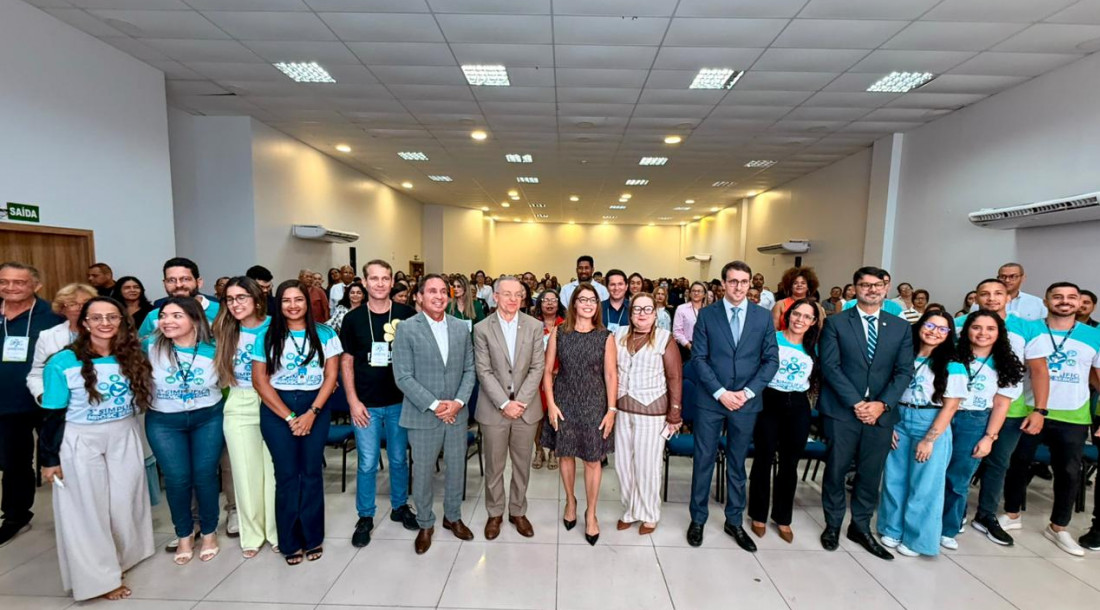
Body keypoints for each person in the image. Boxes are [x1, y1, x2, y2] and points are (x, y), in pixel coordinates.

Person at [39, 296, 155, 601]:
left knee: (124, 503)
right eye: (97, 317)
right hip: (80, 439)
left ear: (122, 321)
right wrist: (49, 459)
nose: (105, 323)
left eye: (112, 317)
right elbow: (51, 415)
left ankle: (121, 559)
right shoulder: (62, 362)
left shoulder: (132, 355)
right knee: (86, 510)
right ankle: (99, 579)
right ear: (85, 323)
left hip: (124, 434)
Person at [818, 266, 914, 561]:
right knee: (836, 470)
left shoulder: (900, 327)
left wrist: (881, 404)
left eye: (877, 285)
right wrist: (857, 403)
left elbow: (904, 371)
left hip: (881, 414)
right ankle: (833, 524)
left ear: (886, 288)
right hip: (842, 411)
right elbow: (830, 366)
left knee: (870, 474)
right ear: (855, 288)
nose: (872, 290)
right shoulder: (836, 323)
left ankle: (860, 527)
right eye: (865, 285)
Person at [685, 261, 779, 552]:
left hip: (746, 403)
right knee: (703, 460)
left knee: (737, 463)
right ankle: (698, 519)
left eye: (744, 281)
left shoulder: (763, 317)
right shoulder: (707, 315)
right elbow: (698, 358)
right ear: (723, 284)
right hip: (711, 401)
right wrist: (721, 392)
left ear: (750, 284)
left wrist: (747, 392)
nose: (739, 286)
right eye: (733, 281)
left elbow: (771, 360)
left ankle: (734, 521)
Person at [1002, 282, 1100, 556]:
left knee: (1069, 472)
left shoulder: (1094, 335)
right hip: (1029, 409)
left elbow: (1097, 377)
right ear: (1046, 302)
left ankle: (1058, 527)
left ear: (1079, 303)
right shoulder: (1029, 328)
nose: (1064, 301)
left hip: (1073, 414)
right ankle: (1011, 514)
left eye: (1071, 297)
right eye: (1057, 297)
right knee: (1018, 463)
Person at [252, 280, 342, 565]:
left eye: (298, 300)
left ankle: (313, 538)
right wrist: (290, 417)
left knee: (311, 473)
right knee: (287, 475)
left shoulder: (326, 334)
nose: (293, 305)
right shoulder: (266, 335)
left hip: (316, 405)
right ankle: (290, 541)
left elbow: (331, 377)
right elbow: (260, 381)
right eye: (286, 300)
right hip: (277, 409)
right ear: (278, 304)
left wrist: (312, 413)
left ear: (307, 302)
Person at [961, 278, 1050, 547]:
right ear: (976, 297)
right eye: (985, 293)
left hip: (1010, 408)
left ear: (1008, 297)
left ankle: (986, 515)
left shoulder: (1026, 327)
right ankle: (956, 509)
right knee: (962, 461)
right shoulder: (961, 324)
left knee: (998, 463)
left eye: (998, 293)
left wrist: (1040, 409)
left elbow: (1038, 370)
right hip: (967, 406)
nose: (991, 298)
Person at [393, 274, 477, 554]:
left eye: (443, 291)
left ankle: (452, 517)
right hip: (422, 415)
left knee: (456, 468)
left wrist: (458, 402)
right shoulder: (406, 328)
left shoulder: (460, 327)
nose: (439, 296)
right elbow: (403, 376)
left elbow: (470, 369)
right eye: (432, 291)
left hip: (456, 413)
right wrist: (435, 405)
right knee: (423, 471)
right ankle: (425, 522)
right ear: (419, 296)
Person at [339, 260, 419, 548]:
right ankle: (365, 515)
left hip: (400, 402)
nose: (380, 284)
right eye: (374, 278)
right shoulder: (353, 319)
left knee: (398, 459)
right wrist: (352, 401)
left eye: (385, 278)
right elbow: (347, 361)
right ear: (364, 282)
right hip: (366, 405)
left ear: (392, 282)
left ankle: (399, 506)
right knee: (367, 462)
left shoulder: (407, 315)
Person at [877, 311, 967, 557]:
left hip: (930, 421)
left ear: (949, 334)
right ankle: (892, 528)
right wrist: (889, 424)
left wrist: (929, 440)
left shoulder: (953, 365)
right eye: (930, 325)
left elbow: (951, 407)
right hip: (900, 419)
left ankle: (917, 539)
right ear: (919, 326)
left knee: (925, 486)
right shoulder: (905, 356)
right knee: (894, 479)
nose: (934, 332)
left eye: (942, 329)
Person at [143, 297, 223, 564]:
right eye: (163, 316)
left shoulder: (215, 348)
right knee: (177, 479)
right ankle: (184, 535)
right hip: (164, 421)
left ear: (195, 320)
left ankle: (209, 532)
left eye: (176, 316)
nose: (167, 321)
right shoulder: (149, 346)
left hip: (207, 418)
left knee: (205, 475)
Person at [941, 310, 1025, 551]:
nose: (982, 333)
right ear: (966, 330)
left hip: (974, 421)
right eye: (976, 327)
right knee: (933, 472)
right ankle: (926, 520)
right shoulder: (951, 355)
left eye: (990, 329)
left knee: (958, 477)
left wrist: (989, 437)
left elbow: (1001, 405)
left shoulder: (1007, 365)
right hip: (941, 416)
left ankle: (949, 526)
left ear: (999, 333)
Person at [542, 283, 618, 545]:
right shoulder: (559, 332)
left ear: (597, 306)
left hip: (595, 404)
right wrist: (551, 404)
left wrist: (611, 410)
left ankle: (592, 513)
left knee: (593, 459)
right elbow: (547, 370)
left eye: (592, 300)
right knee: (565, 455)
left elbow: (611, 375)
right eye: (582, 299)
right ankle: (570, 501)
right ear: (573, 303)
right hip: (564, 401)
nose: (588, 304)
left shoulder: (605, 336)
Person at [473, 277, 546, 540]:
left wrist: (519, 402)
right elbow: (483, 370)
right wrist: (505, 403)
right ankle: (495, 513)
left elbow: (538, 367)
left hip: (526, 409)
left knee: (522, 465)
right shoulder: (482, 328)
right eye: (507, 294)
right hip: (494, 409)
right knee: (494, 466)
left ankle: (517, 511)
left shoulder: (534, 326)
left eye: (518, 294)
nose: (513, 299)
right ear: (495, 297)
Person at [0, 262, 65, 547]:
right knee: (13, 462)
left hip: (48, 401)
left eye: (19, 282)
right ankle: (15, 516)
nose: (10, 287)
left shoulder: (53, 315)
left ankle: (73, 517)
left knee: (62, 458)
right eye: (4, 281)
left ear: (36, 285)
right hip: (6, 402)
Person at [212, 277, 278, 559]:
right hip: (239, 401)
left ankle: (276, 531)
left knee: (274, 472)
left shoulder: (276, 326)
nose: (235, 304)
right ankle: (252, 534)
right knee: (244, 472)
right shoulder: (224, 330)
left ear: (256, 298)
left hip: (274, 400)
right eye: (230, 299)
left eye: (241, 297)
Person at [748, 299, 820, 544]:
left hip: (798, 405)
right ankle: (758, 514)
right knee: (764, 458)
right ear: (788, 315)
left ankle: (783, 517)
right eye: (796, 314)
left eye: (807, 316)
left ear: (813, 322)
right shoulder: (772, 339)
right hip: (769, 401)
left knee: (790, 464)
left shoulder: (814, 347)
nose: (800, 320)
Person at [614, 292, 682, 535]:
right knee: (623, 465)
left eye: (647, 309)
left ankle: (649, 514)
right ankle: (630, 510)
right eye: (637, 309)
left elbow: (675, 377)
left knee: (647, 466)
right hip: (622, 409)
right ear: (630, 313)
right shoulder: (618, 334)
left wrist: (674, 413)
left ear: (655, 314)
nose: (642, 314)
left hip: (652, 411)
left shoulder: (665, 338)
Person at [27, 283, 97, 403]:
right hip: (63, 403)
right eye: (73, 304)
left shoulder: (107, 333)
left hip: (102, 400)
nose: (80, 307)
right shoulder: (47, 335)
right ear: (62, 309)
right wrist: (44, 396)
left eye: (86, 303)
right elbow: (37, 373)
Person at [138, 257, 221, 339]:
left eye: (185, 279)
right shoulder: (153, 317)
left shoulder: (221, 312)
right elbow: (140, 345)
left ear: (199, 282)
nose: (178, 285)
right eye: (171, 280)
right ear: (164, 283)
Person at [533, 288, 563, 471]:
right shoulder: (533, 325)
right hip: (536, 378)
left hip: (560, 378)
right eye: (546, 300)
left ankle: (553, 451)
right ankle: (538, 450)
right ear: (540, 303)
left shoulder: (565, 325)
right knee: (537, 416)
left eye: (554, 300)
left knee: (556, 415)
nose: (550, 303)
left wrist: (559, 370)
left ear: (559, 304)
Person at [969, 263, 1047, 321]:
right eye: (1003, 277)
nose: (1007, 280)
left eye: (1013, 276)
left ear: (1023, 278)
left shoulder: (1037, 303)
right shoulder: (983, 302)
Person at [772, 267, 823, 331]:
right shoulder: (780, 304)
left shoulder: (816, 306)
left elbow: (820, 327)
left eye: (803, 283)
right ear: (790, 287)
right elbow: (774, 328)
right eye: (795, 283)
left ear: (808, 287)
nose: (799, 285)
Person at [673, 281, 707, 361]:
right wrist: (688, 345)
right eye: (693, 291)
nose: (696, 293)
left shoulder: (709, 310)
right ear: (690, 293)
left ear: (704, 295)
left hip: (705, 347)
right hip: (686, 348)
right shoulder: (681, 309)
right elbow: (677, 332)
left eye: (699, 291)